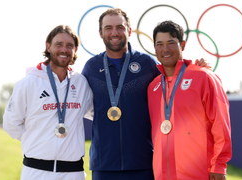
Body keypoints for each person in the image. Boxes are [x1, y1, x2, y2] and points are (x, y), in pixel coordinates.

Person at [82, 8, 210, 180]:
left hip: (143, 163)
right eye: (108, 28)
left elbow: (174, 83)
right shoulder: (91, 67)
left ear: (129, 30)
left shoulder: (147, 64)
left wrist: (194, 67)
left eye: (120, 27)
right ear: (100, 33)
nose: (114, 33)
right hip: (104, 165)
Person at [3, 25, 93, 180]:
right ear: (48, 47)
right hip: (36, 171)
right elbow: (10, 123)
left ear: (75, 50)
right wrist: (36, 138)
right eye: (59, 44)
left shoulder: (81, 83)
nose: (64, 49)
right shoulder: (29, 82)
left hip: (73, 172)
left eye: (69, 45)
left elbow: (94, 113)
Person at [147, 20, 232, 180]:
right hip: (162, 175)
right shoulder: (153, 87)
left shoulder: (204, 77)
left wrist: (219, 166)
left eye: (171, 43)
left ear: (183, 44)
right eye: (160, 44)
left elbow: (221, 125)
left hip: (199, 174)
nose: (165, 49)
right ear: (155, 48)